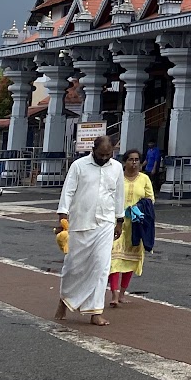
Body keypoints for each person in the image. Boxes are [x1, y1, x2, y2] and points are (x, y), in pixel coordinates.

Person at [55, 134, 126, 326]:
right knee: (73, 266)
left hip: (105, 223)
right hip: (80, 222)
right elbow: (68, 191)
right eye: (101, 154)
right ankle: (64, 300)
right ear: (93, 150)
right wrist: (62, 214)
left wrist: (120, 221)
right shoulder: (79, 166)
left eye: (108, 155)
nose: (104, 158)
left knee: (101, 267)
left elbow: (119, 195)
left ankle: (96, 312)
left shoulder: (116, 168)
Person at [108, 149, 155, 307]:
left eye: (136, 160)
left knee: (129, 259)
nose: (134, 163)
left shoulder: (144, 179)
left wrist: (138, 208)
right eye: (130, 159)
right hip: (117, 223)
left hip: (136, 224)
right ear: (124, 162)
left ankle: (122, 294)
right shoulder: (118, 178)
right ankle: (114, 294)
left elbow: (150, 199)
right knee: (114, 258)